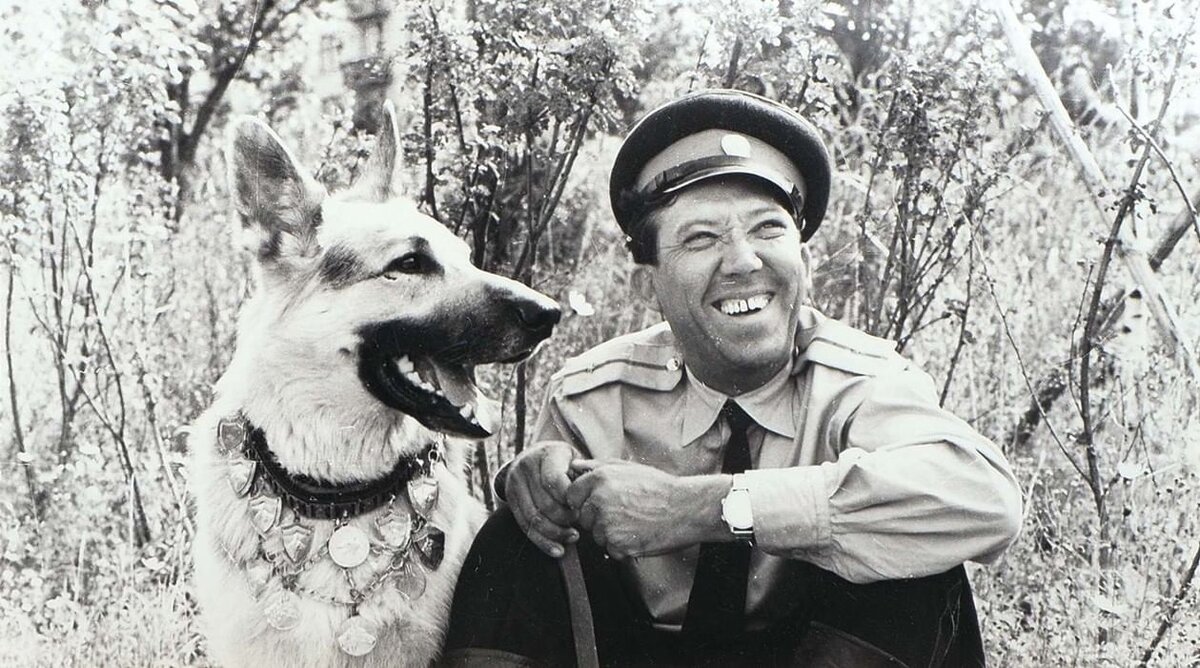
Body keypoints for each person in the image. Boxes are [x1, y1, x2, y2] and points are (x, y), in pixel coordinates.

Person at [440, 89, 1023, 667]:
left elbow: (987, 501)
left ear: (804, 263)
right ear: (648, 285)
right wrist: (535, 487)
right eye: (702, 238)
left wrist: (703, 508)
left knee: (913, 549)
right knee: (517, 539)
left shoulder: (860, 382)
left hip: (817, 653)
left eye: (768, 229)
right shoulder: (591, 398)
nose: (744, 261)